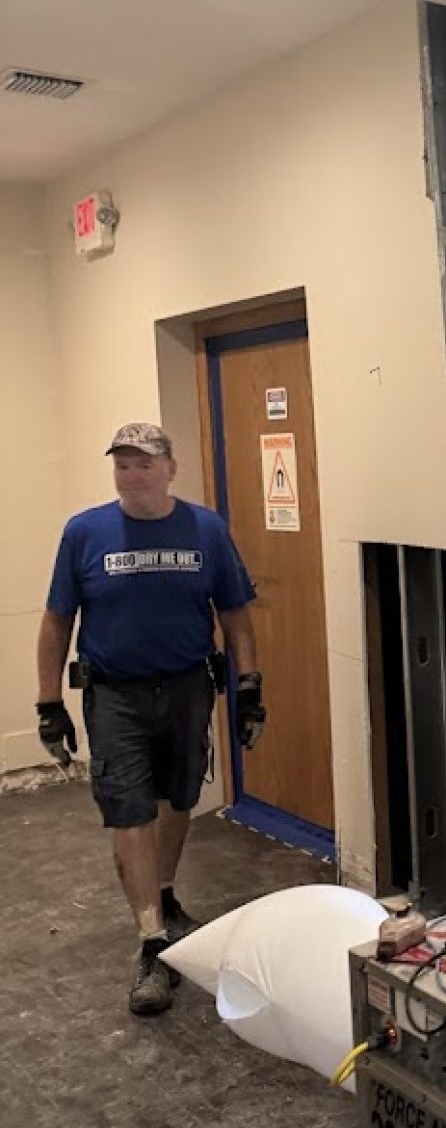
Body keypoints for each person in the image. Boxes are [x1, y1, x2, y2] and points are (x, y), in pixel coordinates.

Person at [36, 422, 267, 1017]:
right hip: (115, 694)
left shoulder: (206, 529)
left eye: (144, 463)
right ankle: (151, 942)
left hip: (189, 686)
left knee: (177, 799)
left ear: (171, 467)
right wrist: (48, 704)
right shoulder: (85, 532)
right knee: (129, 809)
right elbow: (57, 619)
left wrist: (249, 686)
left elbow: (236, 613)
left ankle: (163, 897)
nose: (133, 474)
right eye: (123, 464)